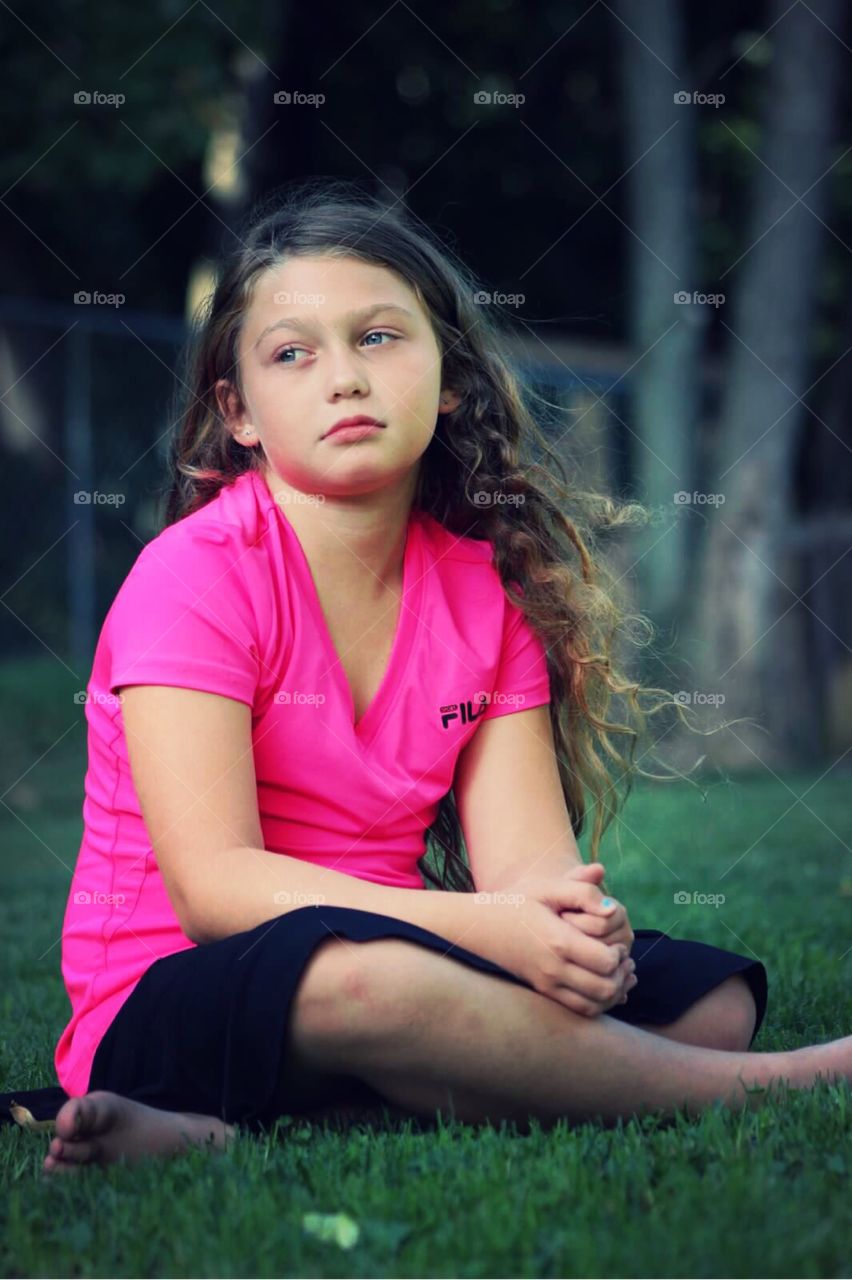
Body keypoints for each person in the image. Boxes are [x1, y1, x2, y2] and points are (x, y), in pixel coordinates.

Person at [33, 181, 849, 1174]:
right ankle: (795, 1079)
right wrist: (487, 929)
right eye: (294, 352)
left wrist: (568, 927)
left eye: (379, 337)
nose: (344, 378)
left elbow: (526, 872)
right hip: (176, 992)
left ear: (450, 378)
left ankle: (260, 1127)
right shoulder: (194, 575)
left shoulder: (483, 593)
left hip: (407, 954)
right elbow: (215, 889)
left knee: (714, 1002)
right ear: (238, 411)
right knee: (375, 986)